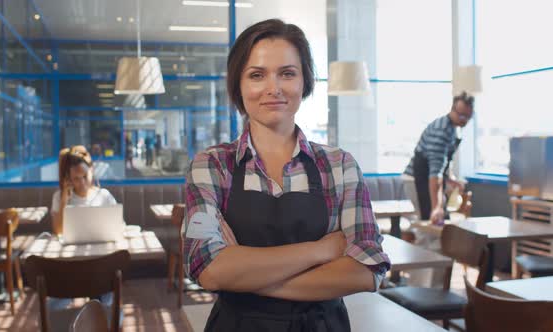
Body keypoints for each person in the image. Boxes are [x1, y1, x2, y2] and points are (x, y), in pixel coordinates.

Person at [183, 19, 390, 331]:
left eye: (287, 73)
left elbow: (366, 270)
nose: (273, 88)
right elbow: (207, 269)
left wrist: (241, 275)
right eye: (257, 75)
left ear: (304, 81)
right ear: (238, 84)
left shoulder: (339, 166)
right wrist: (320, 251)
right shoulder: (212, 166)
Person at [403, 92, 474, 225]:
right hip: (418, 179)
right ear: (452, 109)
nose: (464, 119)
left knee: (441, 226)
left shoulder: (454, 129)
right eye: (461, 115)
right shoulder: (441, 131)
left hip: (430, 179)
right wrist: (436, 207)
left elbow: (442, 165)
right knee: (429, 224)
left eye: (468, 117)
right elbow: (435, 173)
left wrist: (450, 180)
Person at [51, 145, 117, 235]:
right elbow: (58, 231)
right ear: (68, 178)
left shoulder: (104, 195)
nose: (82, 182)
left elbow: (119, 225)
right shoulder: (59, 196)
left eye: (85, 176)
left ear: (92, 171)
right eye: (76, 178)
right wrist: (64, 201)